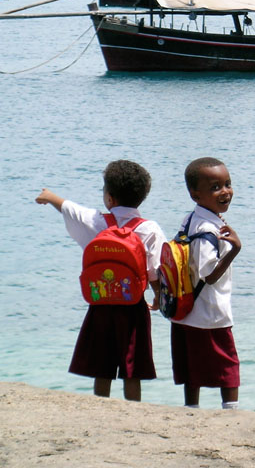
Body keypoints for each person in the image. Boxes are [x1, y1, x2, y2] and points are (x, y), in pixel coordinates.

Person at [35, 160, 166, 401]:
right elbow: (155, 271)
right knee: (132, 367)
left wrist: (49, 196)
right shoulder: (150, 229)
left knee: (102, 365)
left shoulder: (97, 221)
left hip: (100, 303)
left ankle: (100, 404)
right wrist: (158, 296)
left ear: (109, 199)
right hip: (133, 305)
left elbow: (68, 208)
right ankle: (133, 408)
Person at [170, 157, 242, 409]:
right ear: (195, 194)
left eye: (227, 184)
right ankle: (231, 412)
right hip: (210, 312)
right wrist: (235, 249)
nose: (225, 192)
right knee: (228, 365)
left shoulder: (191, 220)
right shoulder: (207, 230)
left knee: (192, 368)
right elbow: (209, 275)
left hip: (187, 312)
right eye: (215, 187)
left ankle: (191, 410)